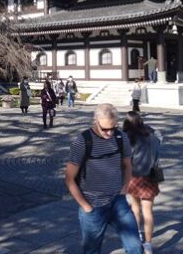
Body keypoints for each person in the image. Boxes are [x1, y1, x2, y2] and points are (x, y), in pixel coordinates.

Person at [64, 104, 142, 254]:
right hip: (93, 205)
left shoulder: (121, 137)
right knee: (92, 250)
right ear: (95, 121)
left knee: (135, 246)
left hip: (118, 201)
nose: (109, 133)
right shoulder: (83, 141)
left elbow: (127, 164)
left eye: (113, 128)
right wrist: (86, 206)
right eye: (105, 129)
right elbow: (69, 178)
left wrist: (124, 189)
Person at [123, 111, 161, 254]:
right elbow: (158, 152)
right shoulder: (152, 137)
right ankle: (148, 244)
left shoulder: (128, 138)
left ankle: (137, 236)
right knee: (148, 211)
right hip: (150, 177)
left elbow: (125, 161)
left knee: (135, 209)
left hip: (134, 177)